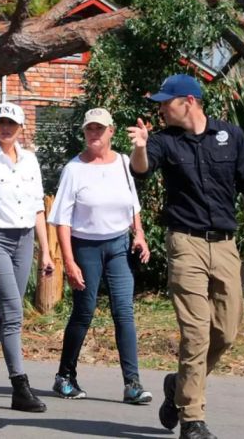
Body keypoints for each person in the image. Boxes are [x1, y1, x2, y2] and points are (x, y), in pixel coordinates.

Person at [127, 74, 244, 439]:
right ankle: (192, 418)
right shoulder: (162, 141)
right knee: (196, 333)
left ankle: (178, 386)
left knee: (227, 330)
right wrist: (140, 146)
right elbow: (140, 169)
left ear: (188, 101)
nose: (159, 108)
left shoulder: (230, 136)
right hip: (185, 243)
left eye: (165, 102)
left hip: (225, 245)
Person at [49, 108, 153, 405]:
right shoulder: (74, 169)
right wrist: (69, 262)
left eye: (99, 129)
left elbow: (132, 204)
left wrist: (140, 234)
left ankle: (132, 384)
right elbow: (62, 220)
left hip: (118, 246)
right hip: (85, 248)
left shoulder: (122, 162)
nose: (94, 134)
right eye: (89, 130)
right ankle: (64, 376)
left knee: (124, 312)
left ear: (111, 131)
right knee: (84, 311)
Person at [0, 102, 54, 412]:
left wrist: (45, 251)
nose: (6, 128)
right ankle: (19, 385)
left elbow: (38, 208)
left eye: (12, 123)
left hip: (25, 238)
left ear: (21, 127)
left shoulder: (30, 160)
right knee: (14, 311)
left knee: (6, 313)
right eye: (1, 122)